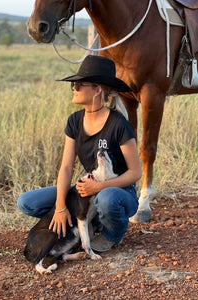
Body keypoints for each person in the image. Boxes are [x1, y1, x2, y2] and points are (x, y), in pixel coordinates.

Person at [17, 55, 142, 252]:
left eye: (79, 84)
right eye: (73, 85)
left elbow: (135, 173)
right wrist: (60, 207)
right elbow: (66, 166)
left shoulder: (118, 124)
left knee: (107, 199)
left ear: (97, 90)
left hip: (119, 191)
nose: (74, 89)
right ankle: (91, 222)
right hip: (90, 186)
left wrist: (99, 186)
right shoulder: (74, 121)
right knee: (27, 202)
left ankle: (113, 234)